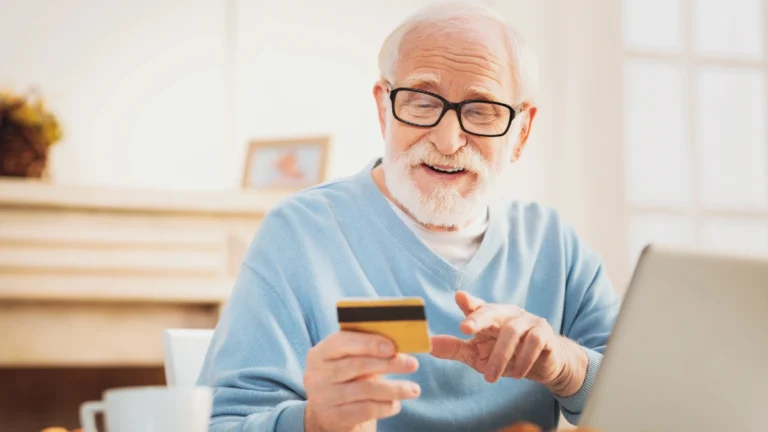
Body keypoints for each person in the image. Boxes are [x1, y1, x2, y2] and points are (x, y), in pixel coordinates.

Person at [197, 2, 619, 431]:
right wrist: (314, 422)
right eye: (421, 101)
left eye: (480, 110)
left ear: (521, 132)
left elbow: (655, 403)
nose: (449, 140)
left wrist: (567, 367)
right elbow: (222, 423)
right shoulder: (299, 235)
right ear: (384, 109)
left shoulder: (554, 245)